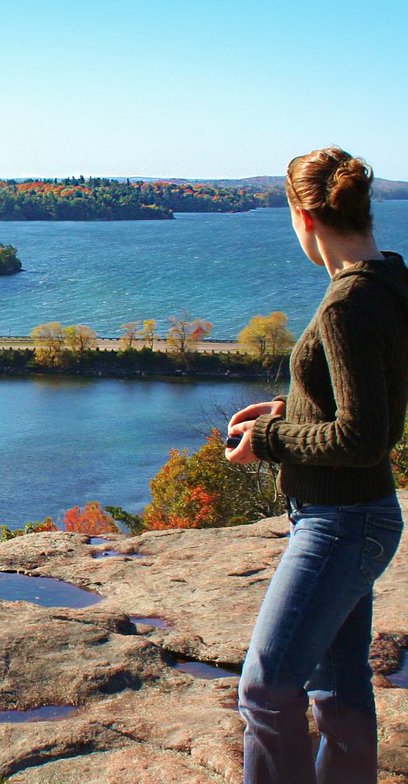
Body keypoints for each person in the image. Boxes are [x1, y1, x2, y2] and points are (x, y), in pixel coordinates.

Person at [226, 147, 408, 783]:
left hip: (340, 521)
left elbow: (362, 437)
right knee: (337, 687)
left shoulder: (344, 305)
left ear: (303, 217)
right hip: (361, 516)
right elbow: (374, 404)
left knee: (266, 688)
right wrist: (290, 406)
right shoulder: (390, 280)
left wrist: (271, 440)